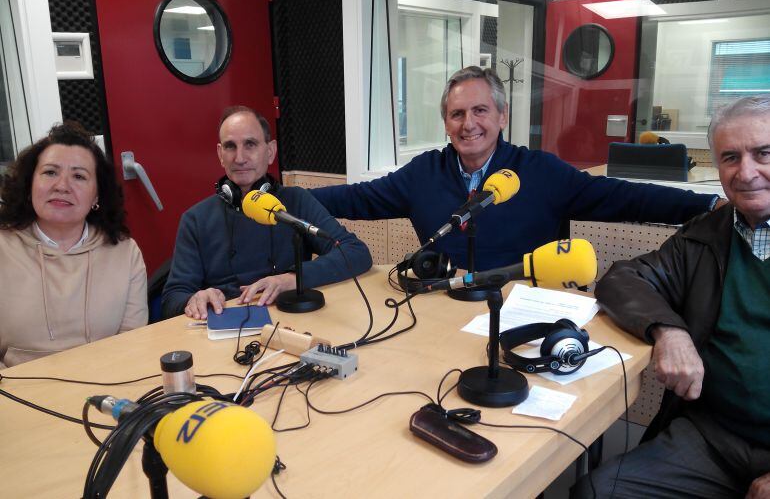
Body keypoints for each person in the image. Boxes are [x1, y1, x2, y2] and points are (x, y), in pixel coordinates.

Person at [311, 66, 723, 272]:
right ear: (445, 123)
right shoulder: (423, 173)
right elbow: (354, 198)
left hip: (526, 310)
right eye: (457, 114)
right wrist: (285, 198)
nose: (468, 124)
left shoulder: (540, 172)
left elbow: (624, 197)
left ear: (502, 116)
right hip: (445, 307)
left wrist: (706, 204)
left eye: (479, 111)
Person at [572, 96, 770, 498]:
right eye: (731, 157)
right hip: (713, 434)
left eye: (763, 153)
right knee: (598, 491)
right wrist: (669, 330)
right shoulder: (707, 233)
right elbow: (623, 279)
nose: (746, 172)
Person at [162, 106, 372, 319]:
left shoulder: (296, 201)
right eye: (230, 146)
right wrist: (195, 298)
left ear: (270, 151)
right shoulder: (196, 219)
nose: (240, 157)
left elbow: (355, 252)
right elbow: (172, 298)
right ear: (220, 155)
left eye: (250, 144)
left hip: (289, 321)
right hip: (225, 325)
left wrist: (292, 278)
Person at [0, 122, 147, 369]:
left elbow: (133, 344)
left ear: (96, 196)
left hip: (105, 390)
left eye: (79, 176)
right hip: (16, 394)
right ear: (29, 185)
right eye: (50, 172)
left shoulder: (124, 251)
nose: (62, 186)